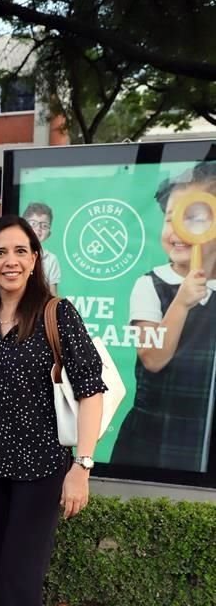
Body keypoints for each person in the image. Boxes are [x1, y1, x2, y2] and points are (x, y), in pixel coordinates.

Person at [0, 214, 105, 606]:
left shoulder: (55, 313)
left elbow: (90, 390)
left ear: (34, 260)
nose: (11, 261)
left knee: (20, 578)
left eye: (21, 251)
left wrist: (82, 466)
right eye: (1, 252)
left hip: (41, 470)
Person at [111, 164, 216, 472]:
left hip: (206, 430)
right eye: (170, 218)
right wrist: (182, 302)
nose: (178, 230)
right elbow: (153, 358)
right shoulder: (151, 284)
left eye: (194, 217)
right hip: (155, 430)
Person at [23, 201, 61, 294]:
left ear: (49, 234)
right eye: (33, 224)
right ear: (23, 227)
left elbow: (53, 294)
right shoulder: (13, 254)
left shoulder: (51, 259)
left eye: (44, 225)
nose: (38, 228)